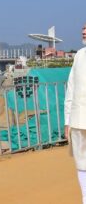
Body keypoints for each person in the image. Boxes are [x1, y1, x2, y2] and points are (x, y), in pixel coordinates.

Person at [65, 24, 86, 203]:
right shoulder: (79, 55)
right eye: (83, 30)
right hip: (78, 120)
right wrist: (67, 121)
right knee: (81, 163)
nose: (84, 32)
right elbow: (70, 89)